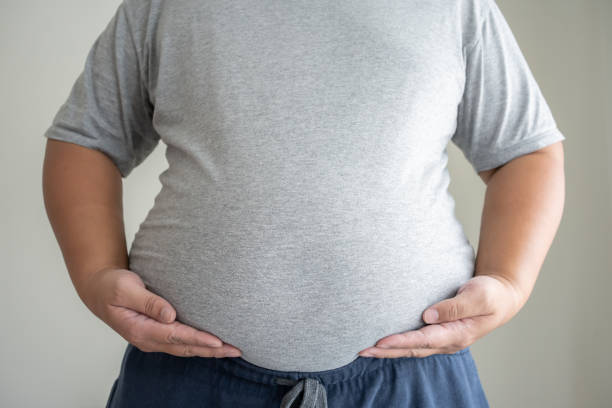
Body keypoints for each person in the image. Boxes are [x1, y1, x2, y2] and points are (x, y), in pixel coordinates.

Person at [42, 0, 565, 406]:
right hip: (186, 373)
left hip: (414, 377)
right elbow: (87, 141)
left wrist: (509, 284)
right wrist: (95, 276)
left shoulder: (454, 6)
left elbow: (524, 152)